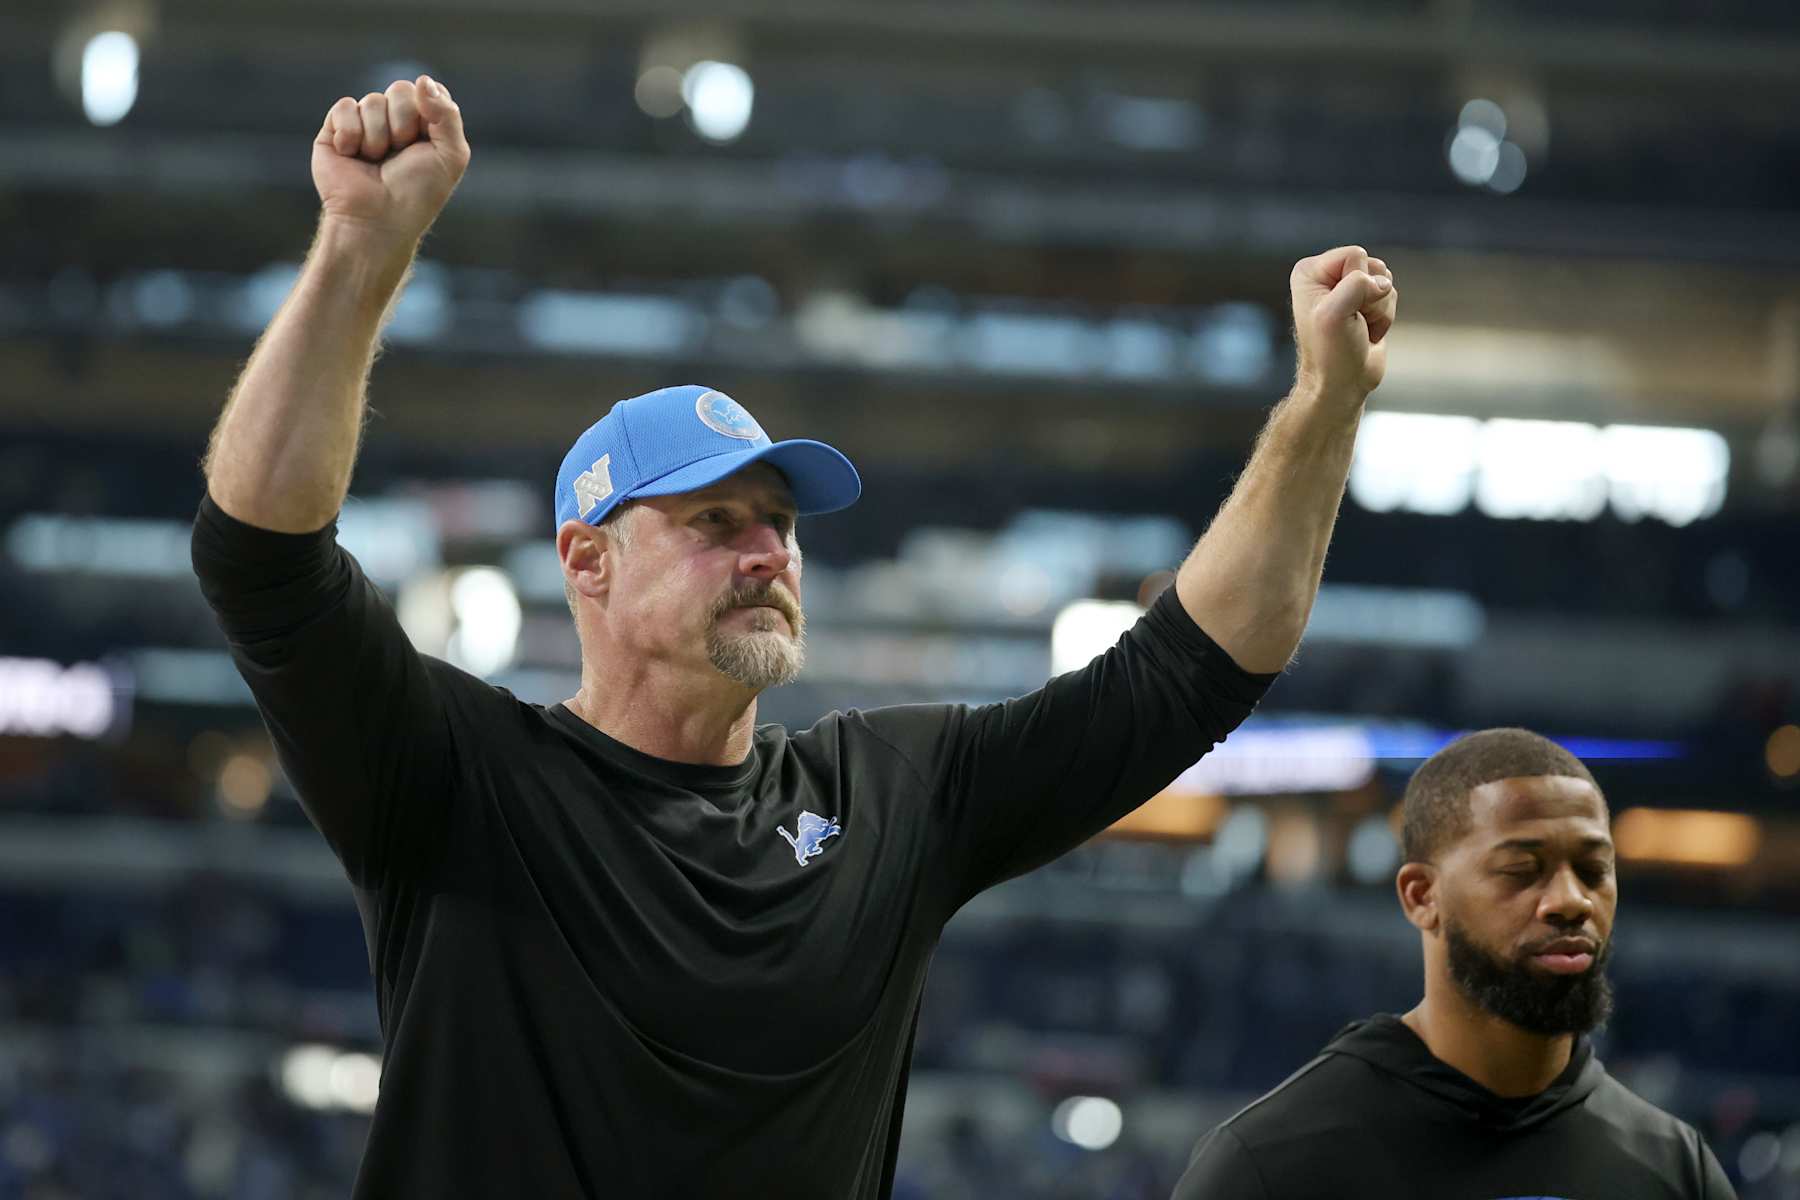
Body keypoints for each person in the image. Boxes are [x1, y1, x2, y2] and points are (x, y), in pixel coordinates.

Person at [190, 75, 1398, 1199]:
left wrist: (1324, 405)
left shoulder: (892, 795)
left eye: (778, 523)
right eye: (715, 522)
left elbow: (1198, 668)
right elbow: (262, 559)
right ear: (586, 560)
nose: (768, 553)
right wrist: (360, 251)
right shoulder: (456, 778)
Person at [1171, 727, 1738, 1200]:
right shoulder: (1269, 1165)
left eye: (1593, 870)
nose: (1572, 900)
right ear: (1421, 896)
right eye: (1522, 870)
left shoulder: (1675, 1169)